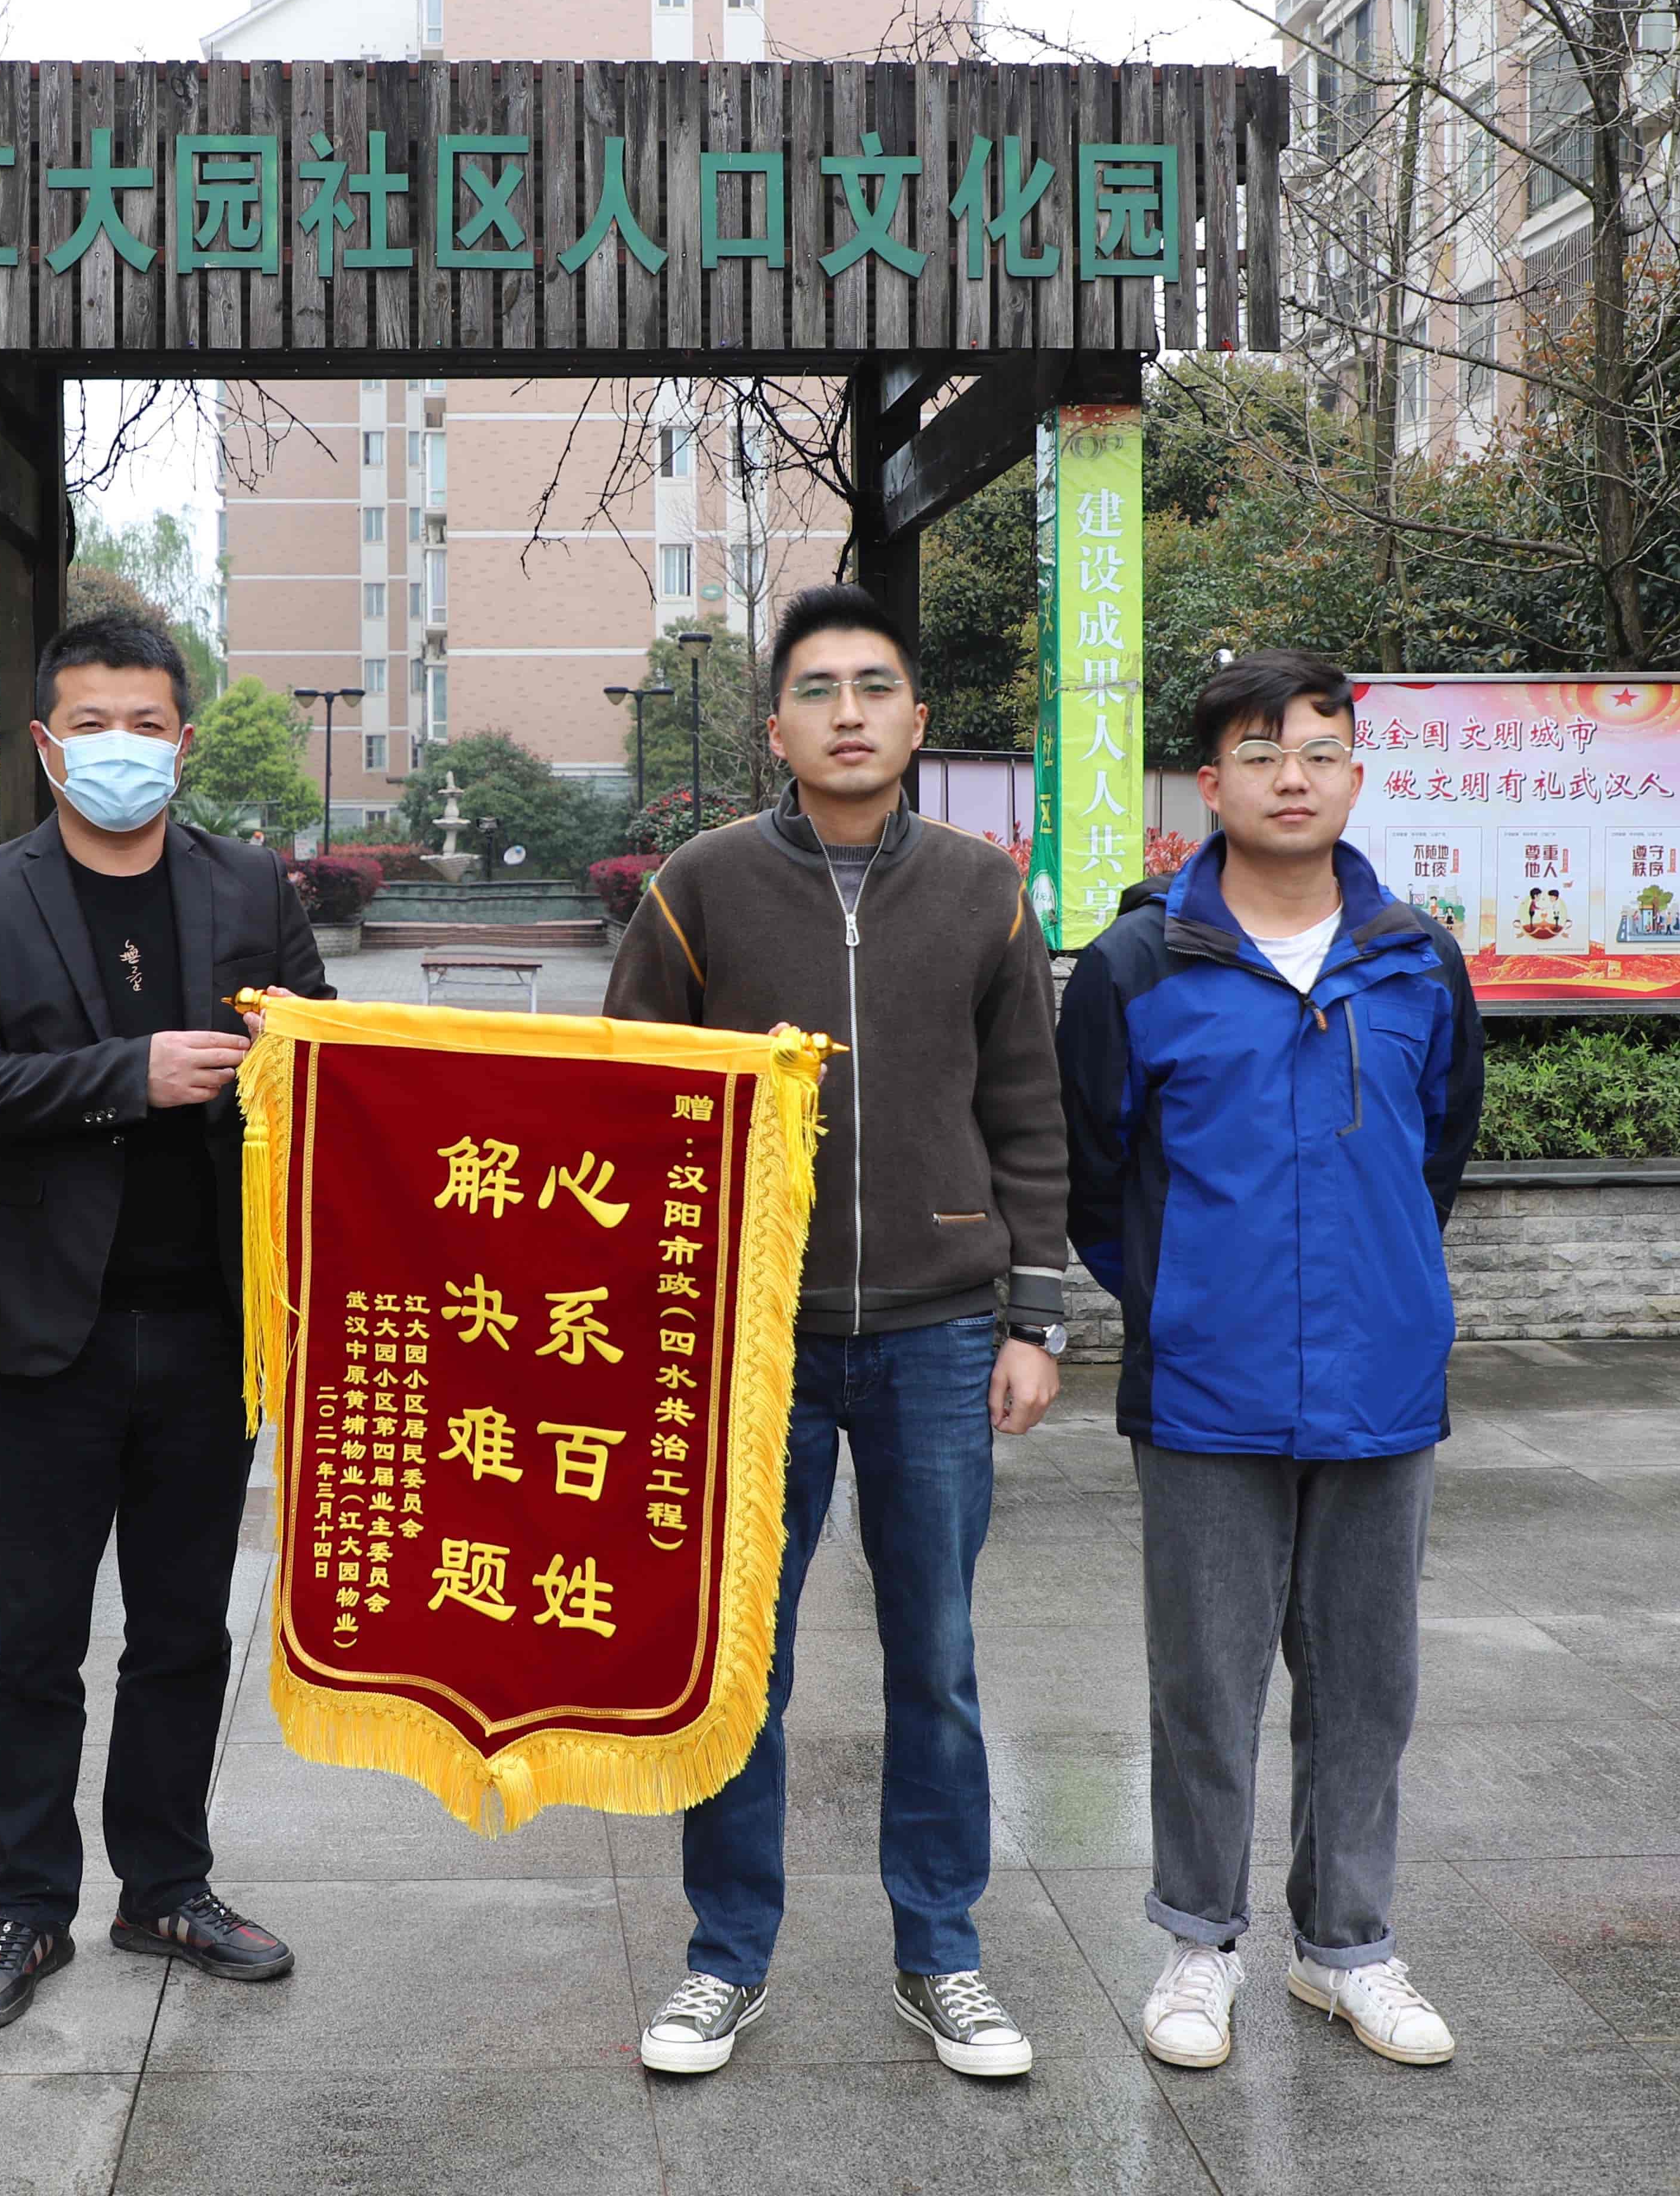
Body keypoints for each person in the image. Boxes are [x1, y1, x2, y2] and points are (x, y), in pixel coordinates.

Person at [604, 582, 1071, 2081]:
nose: (850, 713)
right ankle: (723, 1958)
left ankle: (942, 1952)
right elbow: (624, 1098)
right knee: (740, 1661)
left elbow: (1030, 1112)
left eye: (876, 687)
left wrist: (1034, 1315)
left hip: (940, 1337)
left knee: (936, 1657)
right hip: (752, 1340)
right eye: (819, 689)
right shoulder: (703, 887)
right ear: (777, 729)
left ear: (918, 719)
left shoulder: (985, 892)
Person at [1053, 650, 1484, 2075]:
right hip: (1205, 1387)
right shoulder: (1138, 965)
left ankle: (1346, 1947)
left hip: (1382, 1379)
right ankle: (1199, 1942)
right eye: (1258, 752)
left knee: (1367, 1683)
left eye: (1318, 750)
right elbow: (1097, 1176)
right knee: (1207, 1682)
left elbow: (1437, 1151)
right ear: (1210, 782)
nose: (1290, 777)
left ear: (1356, 774)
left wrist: (1380, 1287)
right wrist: (1186, 1300)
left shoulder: (1417, 959)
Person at [0, 608, 333, 2032]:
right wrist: (122, 1076)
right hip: (50, 1335)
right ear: (46, 743)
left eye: (146, 725)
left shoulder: (249, 884)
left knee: (182, 1631)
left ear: (184, 742)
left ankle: (166, 1886)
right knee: (32, 1639)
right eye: (91, 724)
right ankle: (28, 1907)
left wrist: (280, 1067)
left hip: (211, 1328)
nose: (120, 748)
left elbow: (326, 1057)